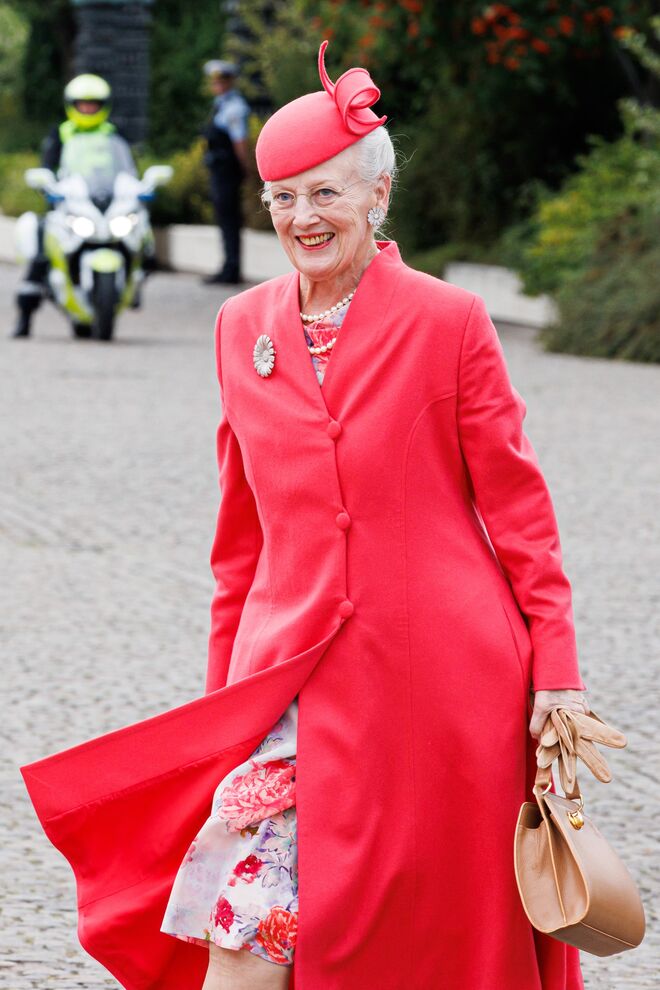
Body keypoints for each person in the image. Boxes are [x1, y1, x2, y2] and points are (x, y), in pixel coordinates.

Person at [21, 41, 591, 990]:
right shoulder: (238, 327)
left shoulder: (450, 323)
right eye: (283, 196)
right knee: (242, 940)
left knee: (423, 943)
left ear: (378, 196)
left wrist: (558, 681)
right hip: (287, 690)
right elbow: (236, 549)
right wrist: (218, 719)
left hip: (441, 694)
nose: (301, 217)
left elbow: (522, 518)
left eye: (325, 192)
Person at [11, 74, 121, 338]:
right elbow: (47, 165)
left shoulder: (113, 135)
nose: (88, 109)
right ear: (72, 104)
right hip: (67, 204)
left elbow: (124, 168)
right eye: (82, 104)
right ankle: (25, 317)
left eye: (93, 104)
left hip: (100, 204)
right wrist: (48, 184)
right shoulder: (61, 133)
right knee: (41, 244)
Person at [201, 60, 250, 286]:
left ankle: (232, 269)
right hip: (219, 171)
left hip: (228, 172)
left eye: (221, 81)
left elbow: (240, 141)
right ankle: (228, 266)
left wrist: (246, 168)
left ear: (230, 82)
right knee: (224, 219)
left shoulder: (234, 107)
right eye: (215, 81)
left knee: (230, 220)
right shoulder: (219, 105)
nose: (217, 85)